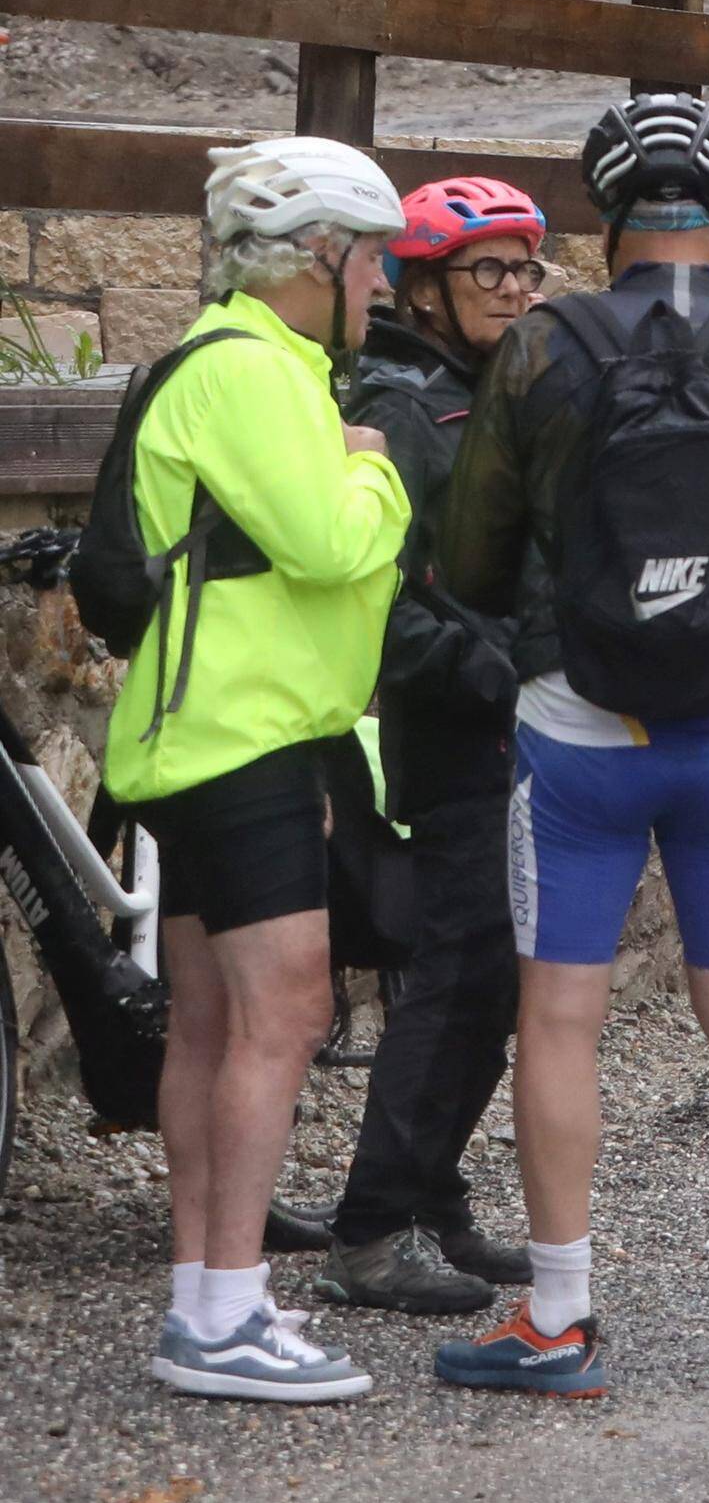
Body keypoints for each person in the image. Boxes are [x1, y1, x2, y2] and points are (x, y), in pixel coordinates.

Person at [431, 93, 709, 1399]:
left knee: (560, 1014)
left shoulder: (541, 350)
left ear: (604, 228)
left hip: (579, 730)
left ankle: (560, 1315)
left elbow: (470, 563)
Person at [108, 136, 412, 1402]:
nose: (386, 282)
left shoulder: (243, 359)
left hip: (215, 734)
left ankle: (204, 1298)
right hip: (246, 738)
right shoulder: (253, 370)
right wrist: (376, 468)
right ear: (318, 254)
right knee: (281, 1014)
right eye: (375, 257)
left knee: (212, 1022)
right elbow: (330, 545)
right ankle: (225, 1314)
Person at [308, 177, 551, 1316]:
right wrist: (488, 670)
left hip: (508, 727)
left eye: (526, 267)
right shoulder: (406, 411)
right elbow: (381, 602)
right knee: (455, 977)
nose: (515, 288)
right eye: (487, 269)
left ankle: (433, 1197)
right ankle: (368, 1232)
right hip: (456, 735)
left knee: (490, 980)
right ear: (421, 288)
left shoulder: (491, 390)